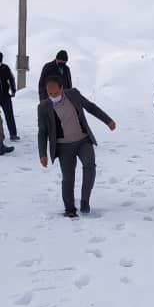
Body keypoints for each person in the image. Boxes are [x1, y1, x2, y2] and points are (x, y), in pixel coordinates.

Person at [38, 77, 116, 218]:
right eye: (50, 94)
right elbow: (42, 132)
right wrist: (42, 154)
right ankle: (69, 209)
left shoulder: (73, 94)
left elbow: (90, 107)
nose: (53, 96)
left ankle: (85, 201)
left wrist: (108, 120)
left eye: (56, 93)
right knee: (68, 178)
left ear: (62, 88)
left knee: (89, 165)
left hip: (83, 141)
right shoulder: (43, 107)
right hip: (63, 147)